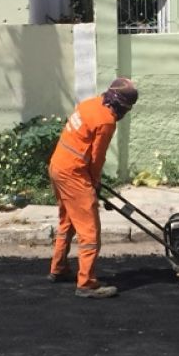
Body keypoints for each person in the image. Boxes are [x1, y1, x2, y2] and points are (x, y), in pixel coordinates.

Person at [48, 77, 138, 298]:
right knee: (89, 230)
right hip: (74, 173)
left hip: (58, 165)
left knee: (67, 220)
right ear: (122, 106)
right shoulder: (106, 121)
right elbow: (97, 158)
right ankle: (86, 283)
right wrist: (94, 183)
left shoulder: (90, 104)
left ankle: (58, 268)